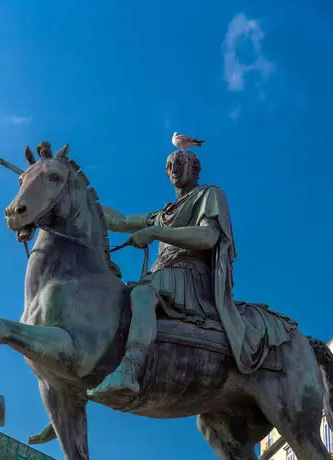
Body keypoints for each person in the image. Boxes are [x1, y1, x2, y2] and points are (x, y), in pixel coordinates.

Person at [89, 149, 296, 398]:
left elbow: (208, 236)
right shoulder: (164, 213)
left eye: (180, 162)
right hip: (162, 275)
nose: (173, 168)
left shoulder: (209, 194)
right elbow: (121, 221)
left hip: (190, 275)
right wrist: (78, 197)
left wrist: (155, 233)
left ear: (195, 169)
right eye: (168, 165)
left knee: (142, 294)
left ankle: (129, 369)